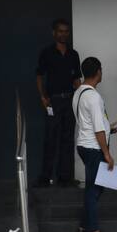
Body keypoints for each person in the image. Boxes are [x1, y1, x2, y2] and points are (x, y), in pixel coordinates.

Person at [73, 57, 117, 232]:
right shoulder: (94, 97)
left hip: (84, 145)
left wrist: (110, 128)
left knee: (97, 186)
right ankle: (92, 230)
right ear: (98, 71)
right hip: (94, 147)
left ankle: (85, 226)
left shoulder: (79, 93)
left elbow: (91, 123)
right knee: (94, 189)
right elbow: (97, 128)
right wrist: (107, 155)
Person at [35, 18, 82, 187]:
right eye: (60, 31)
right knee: (50, 138)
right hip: (53, 101)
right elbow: (39, 75)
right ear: (54, 33)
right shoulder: (46, 53)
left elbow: (77, 79)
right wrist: (42, 96)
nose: (63, 34)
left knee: (68, 139)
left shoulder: (73, 54)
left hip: (70, 99)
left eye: (66, 31)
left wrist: (81, 97)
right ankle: (45, 177)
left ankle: (65, 177)